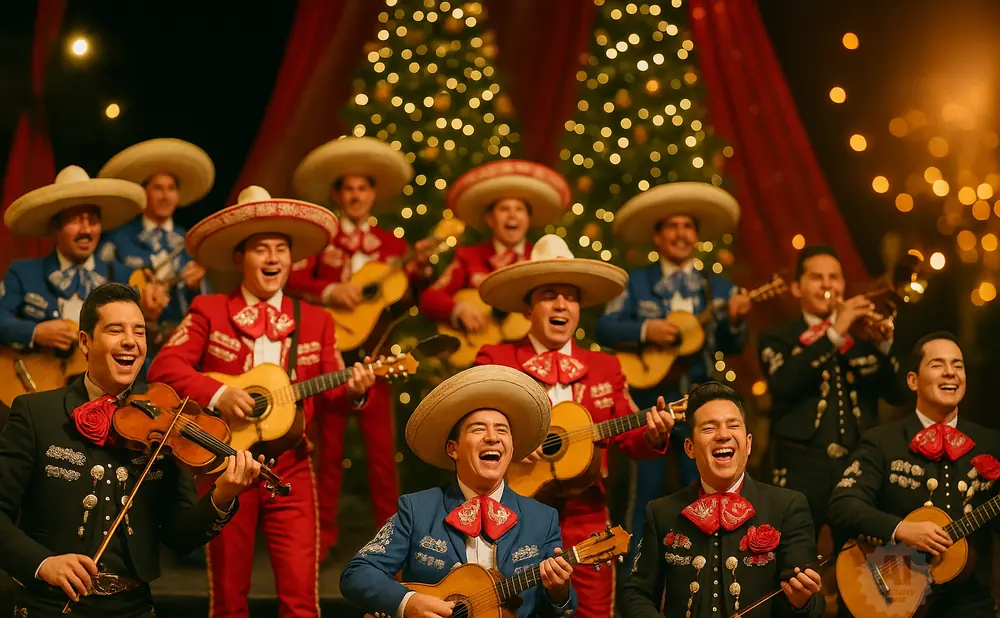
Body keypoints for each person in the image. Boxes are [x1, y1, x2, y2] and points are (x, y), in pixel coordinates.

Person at [147, 186, 377, 618]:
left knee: (301, 598)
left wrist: (355, 390)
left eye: (280, 249)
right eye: (260, 249)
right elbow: (164, 367)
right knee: (228, 597)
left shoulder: (317, 320)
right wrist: (219, 393)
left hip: (291, 465)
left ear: (292, 259)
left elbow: (333, 399)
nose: (272, 259)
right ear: (239, 258)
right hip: (226, 463)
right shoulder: (210, 309)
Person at [0, 282, 261, 617]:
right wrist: (42, 563)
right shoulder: (36, 414)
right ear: (85, 342)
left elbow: (179, 537)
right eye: (115, 330)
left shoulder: (167, 422)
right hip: (50, 605)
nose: (130, 341)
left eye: (139, 331)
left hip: (133, 607)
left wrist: (221, 496)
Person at [473, 233, 676, 618]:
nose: (561, 304)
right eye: (549, 295)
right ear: (528, 307)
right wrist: (511, 440)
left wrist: (653, 434)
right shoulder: (495, 359)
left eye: (571, 296)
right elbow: (473, 426)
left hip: (587, 518)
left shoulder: (606, 366)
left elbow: (629, 435)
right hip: (509, 514)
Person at [287, 136, 434, 560]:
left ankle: (393, 542)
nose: (355, 196)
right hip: (330, 355)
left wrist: (420, 273)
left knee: (382, 455)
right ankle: (323, 536)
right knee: (327, 450)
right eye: (348, 189)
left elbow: (405, 301)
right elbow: (292, 277)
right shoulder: (322, 239)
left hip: (376, 354)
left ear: (373, 195)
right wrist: (330, 290)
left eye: (362, 189)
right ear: (337, 195)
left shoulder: (392, 246)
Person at [340, 364, 578, 618]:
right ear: (453, 449)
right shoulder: (417, 510)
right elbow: (357, 574)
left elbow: (558, 610)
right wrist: (408, 603)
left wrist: (559, 592)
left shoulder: (542, 519)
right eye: (478, 429)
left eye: (502, 430)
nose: (492, 437)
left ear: (512, 448)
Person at [596, 182, 751, 560]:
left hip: (700, 406)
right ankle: (633, 575)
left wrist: (736, 322)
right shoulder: (635, 282)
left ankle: (704, 570)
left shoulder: (719, 287)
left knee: (705, 490)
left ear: (697, 235)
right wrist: (646, 330)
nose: (681, 234)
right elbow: (604, 328)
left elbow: (734, 346)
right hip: (649, 405)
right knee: (642, 493)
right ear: (657, 235)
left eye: (688, 226)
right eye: (672, 226)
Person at [828, 333, 1000, 617]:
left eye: (958, 365)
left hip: (969, 602)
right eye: (937, 364)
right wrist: (901, 529)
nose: (950, 372)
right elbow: (842, 505)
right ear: (912, 381)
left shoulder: (991, 443)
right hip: (896, 597)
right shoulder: (882, 441)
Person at [620, 382, 824, 618]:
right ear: (689, 447)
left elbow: (814, 605)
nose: (724, 435)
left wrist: (801, 603)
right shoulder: (661, 512)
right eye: (709, 428)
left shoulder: (787, 507)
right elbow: (637, 594)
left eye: (733, 425)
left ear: (748, 443)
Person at [759, 245, 901, 533]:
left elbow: (898, 394)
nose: (827, 285)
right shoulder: (777, 338)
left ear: (843, 285)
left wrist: (884, 347)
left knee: (857, 557)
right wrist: (835, 333)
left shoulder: (862, 339)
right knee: (794, 554)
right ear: (797, 288)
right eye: (817, 277)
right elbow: (784, 383)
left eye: (834, 277)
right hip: (799, 469)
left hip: (857, 468)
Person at [0, 165, 143, 352]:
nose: (86, 230)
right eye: (75, 220)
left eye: (92, 221)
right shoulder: (24, 273)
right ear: (55, 226)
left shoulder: (122, 278)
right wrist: (34, 332)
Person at [419, 160, 570, 334]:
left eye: (519, 209)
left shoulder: (542, 259)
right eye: (504, 209)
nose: (512, 215)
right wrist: (457, 309)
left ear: (529, 219)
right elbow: (429, 298)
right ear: (490, 219)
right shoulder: (469, 257)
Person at [98, 139, 214, 360]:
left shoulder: (191, 241)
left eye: (171, 188)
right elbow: (99, 293)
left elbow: (206, 304)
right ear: (144, 192)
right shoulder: (119, 239)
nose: (165, 196)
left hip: (181, 348)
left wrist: (196, 286)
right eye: (158, 188)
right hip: (130, 348)